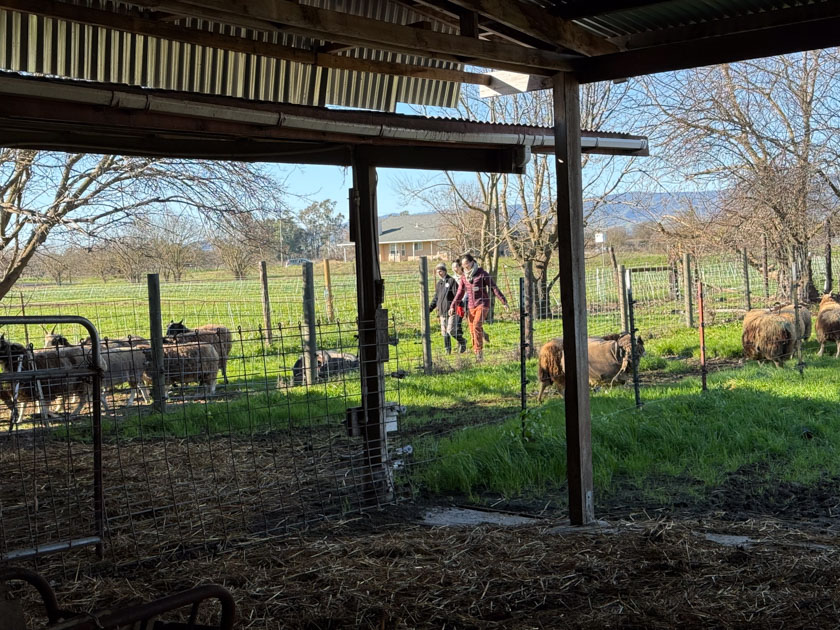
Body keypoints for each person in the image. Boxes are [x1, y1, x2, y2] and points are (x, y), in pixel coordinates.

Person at [450, 253, 508, 360]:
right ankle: (476, 350)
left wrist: (503, 301)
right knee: (472, 330)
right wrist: (453, 306)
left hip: (482, 304)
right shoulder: (464, 277)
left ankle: (479, 353)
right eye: (463, 265)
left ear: (472, 262)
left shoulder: (482, 274)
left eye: (467, 263)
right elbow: (459, 293)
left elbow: (493, 287)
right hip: (471, 306)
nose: (465, 266)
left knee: (477, 325)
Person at [429, 262, 467, 354]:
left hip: (451, 310)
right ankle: (447, 350)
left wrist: (460, 306)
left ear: (445, 271)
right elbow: (436, 298)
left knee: (451, 331)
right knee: (444, 332)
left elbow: (458, 295)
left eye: (440, 271)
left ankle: (462, 341)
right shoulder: (439, 284)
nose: (439, 273)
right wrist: (429, 308)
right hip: (442, 312)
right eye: (437, 271)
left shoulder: (451, 281)